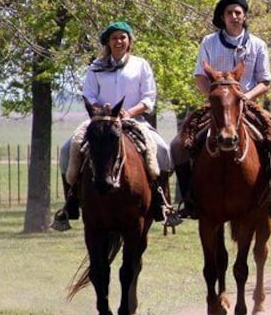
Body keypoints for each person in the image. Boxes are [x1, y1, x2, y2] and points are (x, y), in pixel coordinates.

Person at [51, 21, 177, 231]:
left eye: (122, 37)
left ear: (129, 41)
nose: (119, 41)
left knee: (162, 149)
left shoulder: (140, 65)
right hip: (101, 121)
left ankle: (161, 202)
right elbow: (88, 94)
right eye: (114, 38)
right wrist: (101, 110)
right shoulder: (96, 67)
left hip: (133, 120)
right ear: (108, 43)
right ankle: (70, 204)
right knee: (67, 150)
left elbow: (149, 97)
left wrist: (130, 111)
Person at [170, 0, 271, 219]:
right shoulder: (208, 42)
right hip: (215, 105)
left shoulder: (258, 44)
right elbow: (200, 76)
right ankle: (188, 199)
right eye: (229, 13)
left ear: (244, 16)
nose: (234, 16)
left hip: (247, 103)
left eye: (238, 13)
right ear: (222, 18)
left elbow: (265, 81)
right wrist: (214, 98)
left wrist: (246, 97)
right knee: (178, 145)